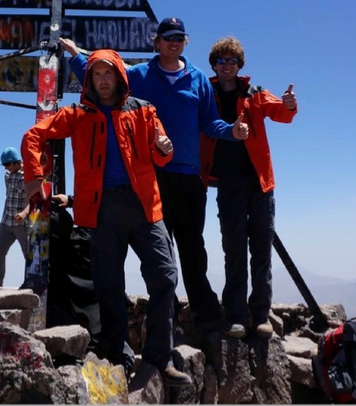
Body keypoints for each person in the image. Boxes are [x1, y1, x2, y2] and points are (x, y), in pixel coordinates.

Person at [60, 17, 250, 338]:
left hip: (190, 178)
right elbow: (100, 77)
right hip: (151, 177)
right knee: (160, 251)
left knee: (193, 248)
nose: (173, 42)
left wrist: (232, 131)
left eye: (179, 37)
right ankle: (166, 322)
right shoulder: (138, 75)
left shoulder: (198, 79)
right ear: (157, 42)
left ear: (184, 42)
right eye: (167, 37)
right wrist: (76, 54)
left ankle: (206, 318)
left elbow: (209, 123)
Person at [20, 48, 192, 388]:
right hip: (101, 211)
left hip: (145, 207)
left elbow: (161, 156)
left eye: (107, 74)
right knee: (109, 286)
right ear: (89, 79)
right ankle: (118, 356)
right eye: (96, 75)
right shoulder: (79, 114)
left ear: (119, 77)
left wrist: (164, 147)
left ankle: (159, 358)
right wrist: (33, 178)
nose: (102, 80)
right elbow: (34, 135)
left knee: (165, 278)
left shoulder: (144, 111)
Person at [200, 37, 298, 338]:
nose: (227, 65)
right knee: (234, 250)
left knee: (261, 251)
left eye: (232, 61)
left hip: (259, 184)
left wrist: (289, 106)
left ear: (239, 65)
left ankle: (261, 316)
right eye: (221, 60)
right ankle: (236, 315)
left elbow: (279, 112)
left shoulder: (253, 93)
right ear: (214, 65)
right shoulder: (207, 93)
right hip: (228, 184)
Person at [0, 147, 30, 288]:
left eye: (7, 165)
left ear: (16, 162)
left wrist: (24, 213)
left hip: (22, 225)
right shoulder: (7, 175)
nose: (6, 168)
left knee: (29, 256)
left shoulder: (28, 175)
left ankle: (30, 283)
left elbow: (34, 200)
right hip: (6, 222)